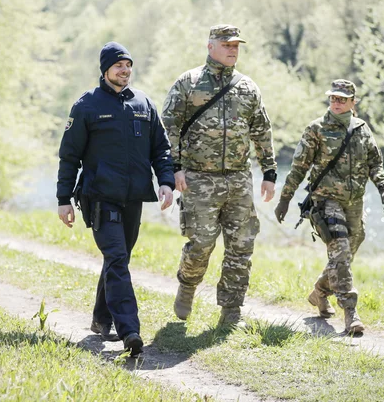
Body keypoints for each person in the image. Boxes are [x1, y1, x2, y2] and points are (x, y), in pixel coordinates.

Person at [56, 41, 175, 356]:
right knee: (118, 258)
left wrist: (165, 182)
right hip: (99, 198)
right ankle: (130, 330)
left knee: (117, 258)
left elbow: (161, 150)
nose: (125, 70)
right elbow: (69, 156)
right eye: (119, 65)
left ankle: (100, 319)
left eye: (128, 65)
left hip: (133, 198)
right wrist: (63, 198)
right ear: (105, 69)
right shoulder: (87, 106)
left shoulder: (144, 104)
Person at [161, 24, 277, 327]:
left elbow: (261, 130)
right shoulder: (189, 83)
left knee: (241, 246)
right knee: (201, 244)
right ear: (210, 46)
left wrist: (269, 172)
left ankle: (231, 309)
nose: (233, 50)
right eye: (227, 44)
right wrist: (174, 169)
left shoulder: (248, 87)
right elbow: (168, 128)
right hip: (199, 178)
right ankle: (187, 286)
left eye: (236, 45)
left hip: (239, 179)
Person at [274, 79, 384, 334]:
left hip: (355, 203)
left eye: (341, 99)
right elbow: (299, 167)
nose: (336, 102)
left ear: (353, 102)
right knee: (339, 252)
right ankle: (351, 313)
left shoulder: (362, 129)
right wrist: (285, 198)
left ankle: (319, 292)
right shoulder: (316, 128)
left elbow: (375, 163)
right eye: (333, 98)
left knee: (346, 255)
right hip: (326, 201)